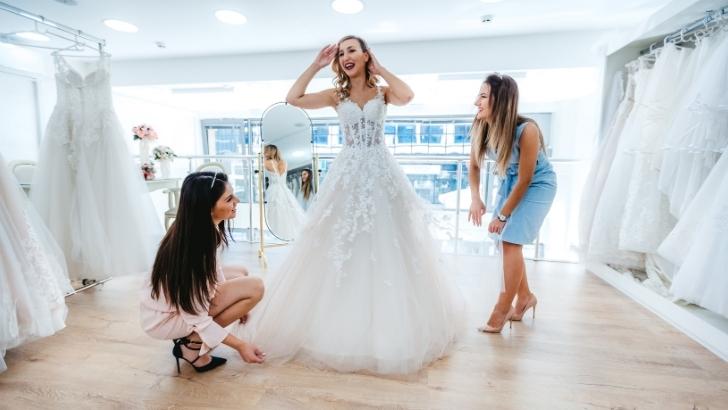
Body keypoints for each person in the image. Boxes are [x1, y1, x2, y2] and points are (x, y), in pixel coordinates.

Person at [237, 35, 461, 375]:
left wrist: (381, 68)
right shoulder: (336, 95)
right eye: (341, 53)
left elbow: (407, 95)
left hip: (381, 171)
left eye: (351, 50)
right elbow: (293, 98)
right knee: (340, 240)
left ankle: (390, 325)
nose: (345, 57)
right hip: (348, 172)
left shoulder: (383, 92)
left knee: (388, 239)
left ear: (365, 55)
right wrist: (315, 64)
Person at [140, 171, 266, 373]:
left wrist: (236, 304)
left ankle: (193, 341)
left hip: (174, 304)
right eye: (229, 199)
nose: (237, 201)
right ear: (207, 208)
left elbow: (214, 270)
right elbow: (196, 317)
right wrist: (241, 345)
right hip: (164, 319)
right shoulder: (194, 249)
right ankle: (191, 346)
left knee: (241, 273)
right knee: (255, 287)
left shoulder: (196, 227)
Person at [467, 73, 557, 333]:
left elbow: (526, 179)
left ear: (501, 100)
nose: (476, 102)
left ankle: (502, 309)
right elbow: (474, 166)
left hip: (537, 185)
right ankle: (525, 297)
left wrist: (502, 216)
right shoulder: (481, 125)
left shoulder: (527, 130)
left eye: (483, 96)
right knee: (505, 243)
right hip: (510, 182)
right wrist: (476, 198)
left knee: (509, 240)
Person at [262, 145, 306, 239]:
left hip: (274, 189)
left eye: (265, 151)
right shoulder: (284, 162)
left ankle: (276, 234)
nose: (263, 152)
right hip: (284, 189)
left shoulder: (266, 162)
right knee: (288, 211)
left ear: (269, 151)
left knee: (275, 212)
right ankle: (289, 234)